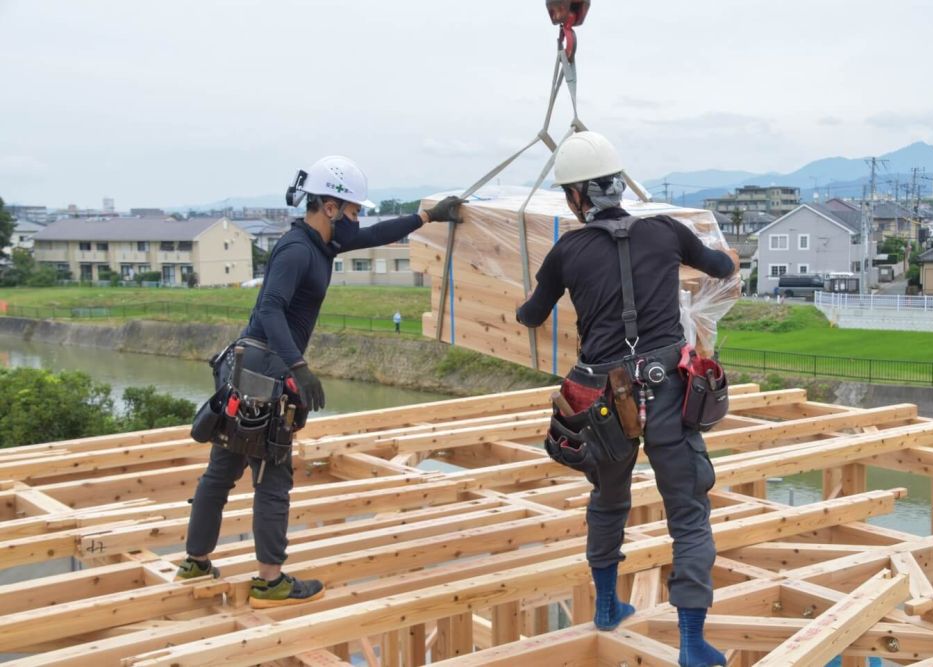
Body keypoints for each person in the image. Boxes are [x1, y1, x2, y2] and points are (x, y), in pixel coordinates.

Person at [177, 155, 464, 608]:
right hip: (267, 368)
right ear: (329, 206)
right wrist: (298, 368)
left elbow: (373, 236)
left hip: (250, 364)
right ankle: (269, 581)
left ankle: (195, 562)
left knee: (223, 469)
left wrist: (427, 216)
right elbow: (270, 308)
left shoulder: (320, 245)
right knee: (272, 476)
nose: (357, 219)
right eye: (352, 210)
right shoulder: (296, 251)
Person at [516, 132, 737, 667]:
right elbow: (721, 268)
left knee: (609, 499)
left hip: (601, 399)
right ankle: (691, 643)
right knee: (687, 512)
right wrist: (721, 258)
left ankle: (609, 608)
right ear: (620, 185)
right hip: (668, 390)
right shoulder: (665, 231)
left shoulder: (567, 250)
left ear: (575, 198)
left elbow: (530, 315)